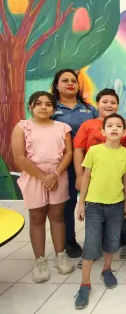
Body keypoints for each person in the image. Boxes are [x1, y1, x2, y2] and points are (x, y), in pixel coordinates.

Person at [11, 91, 74, 283]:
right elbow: (20, 157)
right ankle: (40, 260)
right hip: (33, 176)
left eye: (48, 104)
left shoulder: (62, 127)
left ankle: (60, 254)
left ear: (54, 108)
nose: (43, 107)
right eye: (38, 103)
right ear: (31, 106)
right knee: (37, 218)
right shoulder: (22, 127)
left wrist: (55, 175)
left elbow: (68, 153)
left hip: (58, 175)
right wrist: (42, 177)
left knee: (57, 216)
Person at [74, 113, 126, 310]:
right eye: (110, 125)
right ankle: (84, 284)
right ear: (103, 131)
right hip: (94, 205)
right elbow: (86, 177)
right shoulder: (94, 151)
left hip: (116, 204)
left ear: (125, 132)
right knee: (91, 243)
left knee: (112, 240)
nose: (114, 128)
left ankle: (107, 270)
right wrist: (81, 203)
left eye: (118, 126)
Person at [73, 88, 126, 259]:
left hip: (118, 176)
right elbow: (78, 150)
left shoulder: (122, 124)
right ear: (97, 104)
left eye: (113, 102)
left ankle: (125, 241)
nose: (109, 105)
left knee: (122, 209)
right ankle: (93, 249)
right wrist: (79, 174)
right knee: (95, 214)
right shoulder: (88, 126)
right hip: (94, 177)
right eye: (105, 101)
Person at [51, 68, 98, 258]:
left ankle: (96, 240)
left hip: (91, 164)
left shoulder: (90, 109)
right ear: (56, 85)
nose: (70, 83)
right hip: (64, 164)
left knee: (95, 203)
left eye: (73, 80)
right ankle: (69, 240)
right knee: (68, 203)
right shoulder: (52, 109)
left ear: (79, 86)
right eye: (65, 80)